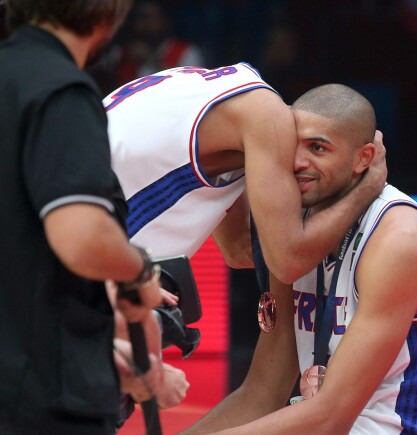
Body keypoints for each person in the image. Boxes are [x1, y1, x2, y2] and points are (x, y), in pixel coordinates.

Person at [97, 84, 417, 435]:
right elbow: (264, 390)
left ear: (365, 159)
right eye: (292, 146)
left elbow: (332, 418)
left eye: (319, 148)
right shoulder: (292, 229)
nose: (297, 162)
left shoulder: (398, 239)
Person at [0, 1, 173, 435]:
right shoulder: (59, 91)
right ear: (110, 15)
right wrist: (139, 271)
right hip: (27, 403)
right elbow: (80, 237)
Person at [103, 62, 387, 283]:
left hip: (73, 196)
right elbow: (287, 260)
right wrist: (366, 189)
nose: (298, 161)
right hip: (74, 243)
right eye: (306, 145)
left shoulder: (219, 95)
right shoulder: (265, 118)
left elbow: (238, 250)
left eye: (317, 148)